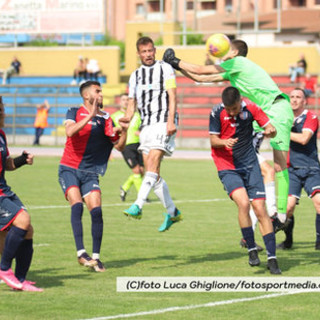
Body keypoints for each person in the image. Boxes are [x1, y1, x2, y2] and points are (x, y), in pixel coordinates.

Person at [163, 39, 293, 228]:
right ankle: (264, 208)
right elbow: (200, 79)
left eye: (228, 49)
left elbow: (200, 70)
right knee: (250, 149)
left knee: (280, 164)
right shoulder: (234, 72)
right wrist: (177, 67)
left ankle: (280, 215)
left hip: (277, 109)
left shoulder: (238, 62)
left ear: (234, 52)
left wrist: (176, 60)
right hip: (268, 112)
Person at [58, 80, 128, 272]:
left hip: (90, 173)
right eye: (98, 91)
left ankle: (95, 258)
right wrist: (90, 115)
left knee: (96, 210)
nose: (101, 94)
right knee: (77, 205)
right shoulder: (73, 111)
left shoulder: (106, 118)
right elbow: (70, 131)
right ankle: (81, 253)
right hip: (69, 168)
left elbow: (119, 146)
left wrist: (124, 130)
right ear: (87, 95)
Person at [209, 86, 281, 274]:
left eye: (234, 108)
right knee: (243, 204)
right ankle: (251, 249)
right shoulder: (217, 112)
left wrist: (271, 131)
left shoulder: (251, 108)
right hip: (227, 166)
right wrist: (224, 142)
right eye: (228, 109)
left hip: (250, 165)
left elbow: (269, 129)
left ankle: (272, 258)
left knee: (260, 208)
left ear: (240, 100)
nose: (231, 112)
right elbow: (213, 141)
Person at [122, 36, 182, 232]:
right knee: (153, 174)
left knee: (152, 165)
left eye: (150, 51)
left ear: (154, 50)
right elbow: (132, 103)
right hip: (146, 126)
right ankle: (173, 213)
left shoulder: (165, 68)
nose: (148, 54)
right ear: (138, 53)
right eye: (144, 51)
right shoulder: (135, 76)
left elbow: (173, 96)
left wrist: (171, 120)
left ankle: (138, 205)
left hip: (164, 121)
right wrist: (126, 120)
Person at [0, 97, 42, 291]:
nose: (3, 113)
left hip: (4, 190)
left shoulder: (1, 135)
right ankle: (4, 269)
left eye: (2, 108)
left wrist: (23, 160)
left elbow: (7, 164)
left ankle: (20, 279)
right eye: (0, 109)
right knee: (23, 219)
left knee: (27, 230)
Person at [277, 88, 320, 250]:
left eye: (298, 97)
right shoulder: (285, 118)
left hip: (311, 168)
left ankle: (319, 242)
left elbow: (303, 139)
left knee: (319, 203)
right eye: (292, 97)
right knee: (288, 208)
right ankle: (288, 241)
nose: (294, 100)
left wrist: (282, 131)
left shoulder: (311, 117)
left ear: (304, 101)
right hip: (292, 169)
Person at [111, 93, 144, 201]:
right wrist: (109, 151)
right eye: (123, 100)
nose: (125, 102)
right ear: (120, 102)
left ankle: (124, 188)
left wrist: (141, 132)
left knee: (141, 171)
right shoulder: (114, 116)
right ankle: (142, 197)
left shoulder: (137, 115)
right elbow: (110, 134)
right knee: (136, 171)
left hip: (139, 145)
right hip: (126, 146)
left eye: (127, 100)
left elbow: (142, 128)